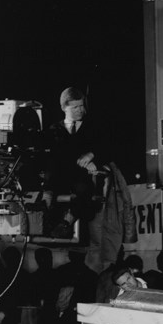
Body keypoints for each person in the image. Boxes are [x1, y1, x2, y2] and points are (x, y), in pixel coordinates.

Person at [44, 87, 109, 238]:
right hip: (58, 176)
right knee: (51, 165)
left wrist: (91, 155)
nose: (81, 110)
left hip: (81, 179)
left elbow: (105, 149)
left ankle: (66, 222)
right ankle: (46, 205)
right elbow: (55, 155)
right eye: (75, 107)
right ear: (64, 108)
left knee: (84, 190)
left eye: (82, 106)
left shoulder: (92, 128)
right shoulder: (54, 130)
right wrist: (81, 159)